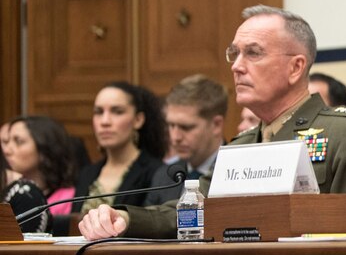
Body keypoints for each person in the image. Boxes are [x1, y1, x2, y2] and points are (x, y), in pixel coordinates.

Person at [79, 5, 346, 239]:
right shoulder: (242, 145)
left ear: (296, 67)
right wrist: (123, 218)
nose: (237, 67)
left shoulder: (344, 132)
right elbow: (191, 210)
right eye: (235, 54)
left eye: (253, 54)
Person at [73, 82, 167, 213]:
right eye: (98, 112)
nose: (105, 121)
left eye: (117, 112)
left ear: (138, 120)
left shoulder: (157, 172)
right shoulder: (86, 173)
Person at [145, 75, 229, 205]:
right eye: (171, 125)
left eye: (186, 127)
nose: (175, 137)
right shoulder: (163, 176)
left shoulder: (235, 173)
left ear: (216, 125)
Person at [2, 115, 77, 217]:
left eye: (18, 142)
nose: (6, 150)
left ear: (44, 150)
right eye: (7, 142)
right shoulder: (8, 189)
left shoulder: (68, 199)